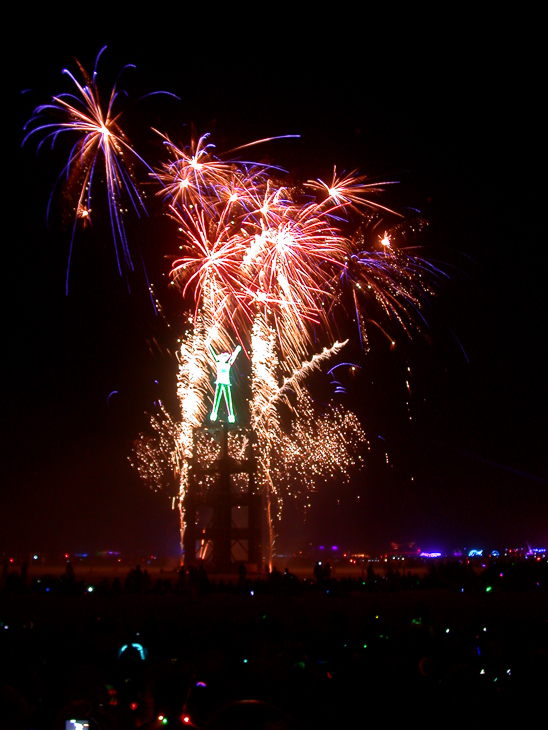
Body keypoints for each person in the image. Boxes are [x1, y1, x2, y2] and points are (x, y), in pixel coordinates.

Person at [208, 341, 241, 423]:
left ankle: (230, 416)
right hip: (221, 383)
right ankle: (215, 415)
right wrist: (208, 346)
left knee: (227, 400)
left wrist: (237, 350)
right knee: (218, 399)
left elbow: (233, 357)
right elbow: (213, 354)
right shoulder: (220, 363)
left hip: (225, 383)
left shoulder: (226, 364)